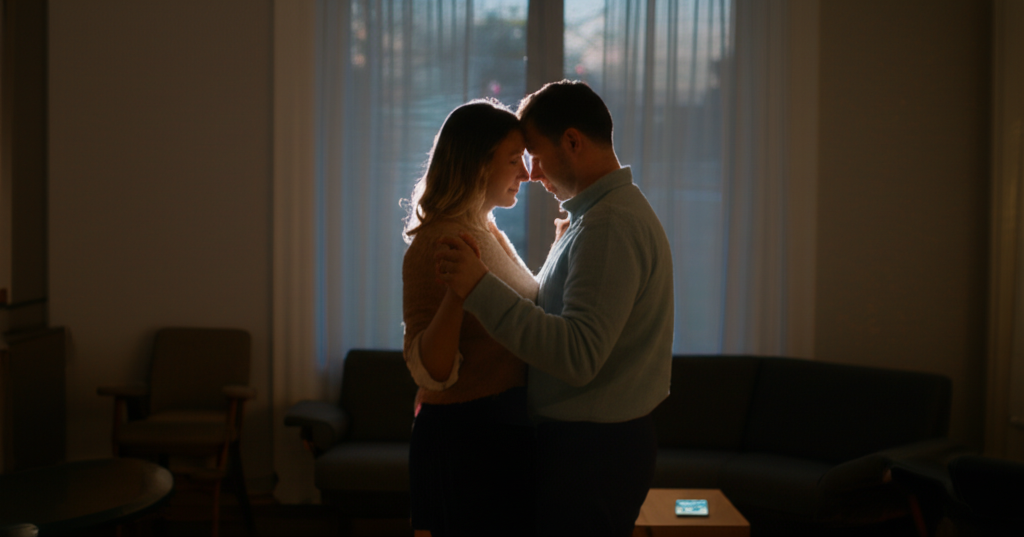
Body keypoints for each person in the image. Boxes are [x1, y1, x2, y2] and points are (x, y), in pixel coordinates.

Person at [435, 80, 674, 536]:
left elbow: (578, 356)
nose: (530, 173)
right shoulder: (598, 219)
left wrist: (480, 287)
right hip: (595, 444)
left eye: (536, 155)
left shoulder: (609, 226)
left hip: (591, 450)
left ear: (572, 142)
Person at [401, 99, 539, 536]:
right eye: (514, 160)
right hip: (468, 440)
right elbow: (431, 370)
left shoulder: (485, 228)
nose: (526, 173)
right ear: (480, 165)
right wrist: (458, 298)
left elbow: (522, 307)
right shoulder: (438, 242)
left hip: (500, 434)